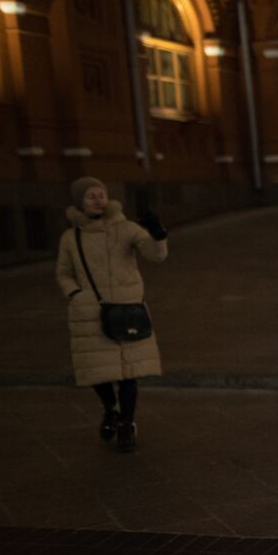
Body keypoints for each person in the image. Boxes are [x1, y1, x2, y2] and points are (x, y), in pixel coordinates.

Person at [54, 177, 168, 452]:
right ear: (79, 201)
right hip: (90, 311)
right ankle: (111, 408)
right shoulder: (71, 237)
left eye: (101, 194)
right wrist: (75, 294)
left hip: (127, 307)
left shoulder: (126, 228)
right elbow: (64, 272)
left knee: (129, 373)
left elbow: (155, 255)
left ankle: (126, 425)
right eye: (90, 196)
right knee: (98, 372)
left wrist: (158, 233)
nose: (97, 199)